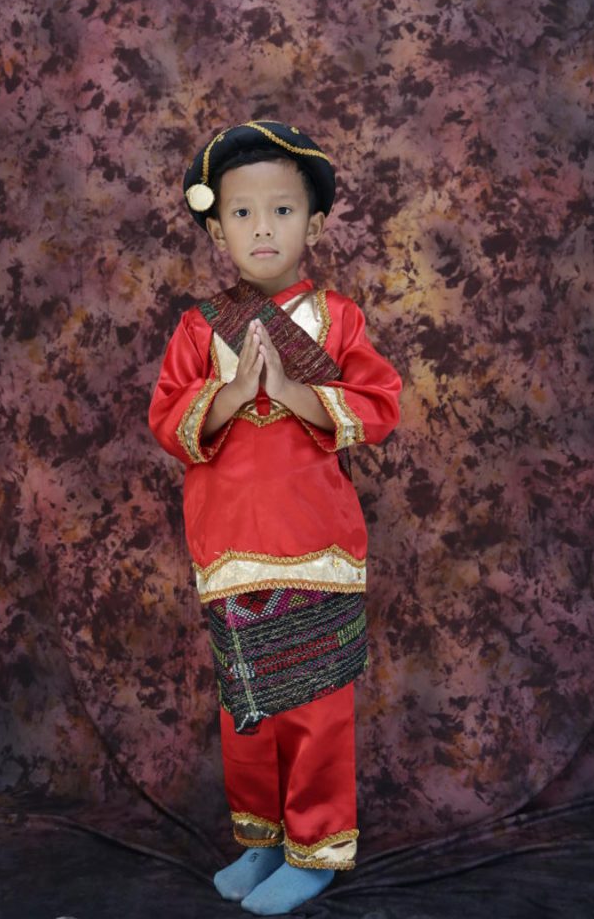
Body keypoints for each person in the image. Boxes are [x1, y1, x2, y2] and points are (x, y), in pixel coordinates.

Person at [149, 120, 401, 915]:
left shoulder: (338, 319)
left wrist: (294, 393)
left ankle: (315, 849)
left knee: (315, 710)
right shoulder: (199, 326)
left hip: (316, 546)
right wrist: (229, 394)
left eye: (282, 211)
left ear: (314, 225)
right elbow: (168, 421)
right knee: (248, 709)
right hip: (229, 548)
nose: (263, 228)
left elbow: (378, 404)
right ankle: (262, 841)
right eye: (243, 213)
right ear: (217, 232)